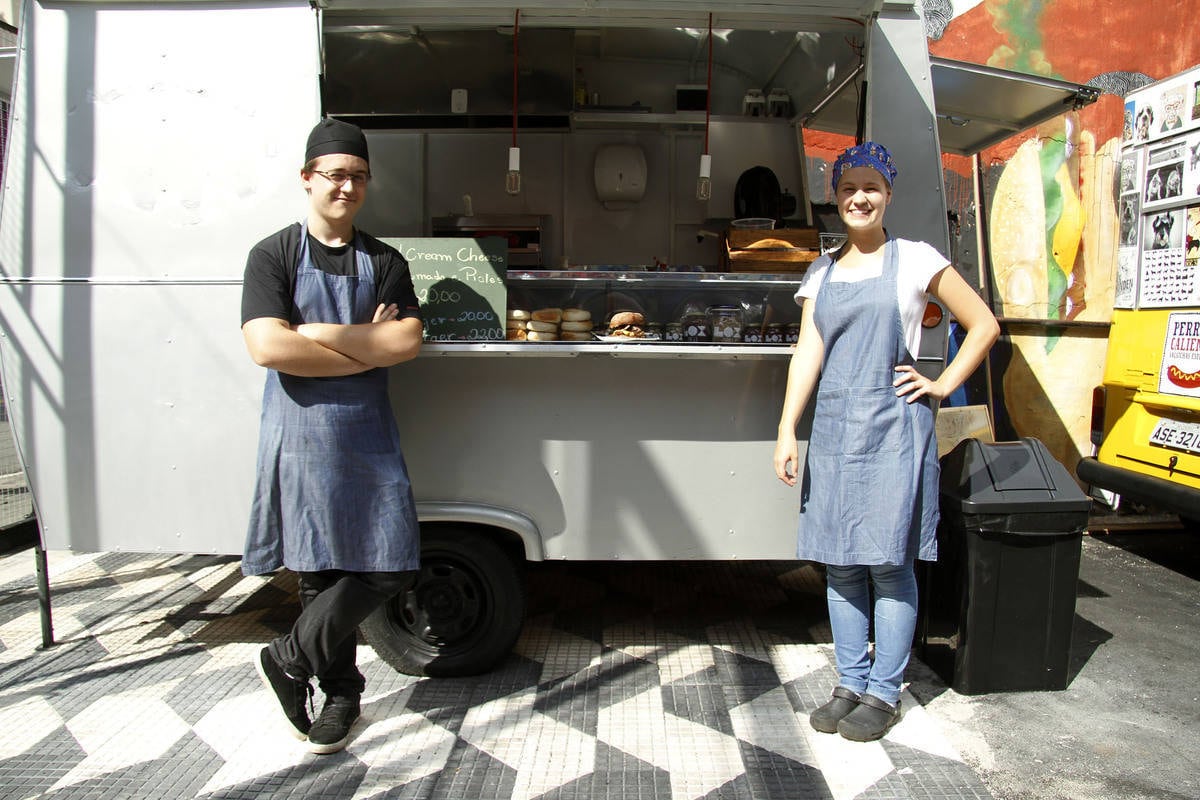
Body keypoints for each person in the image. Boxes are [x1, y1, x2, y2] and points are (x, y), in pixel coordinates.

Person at [773, 141, 998, 742]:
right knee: (841, 567)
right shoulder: (820, 271)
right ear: (836, 196)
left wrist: (942, 383)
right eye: (849, 188)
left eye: (871, 187)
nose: (859, 198)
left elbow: (983, 325)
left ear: (888, 194)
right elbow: (807, 355)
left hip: (896, 431)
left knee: (889, 565)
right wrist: (787, 428)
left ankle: (883, 691)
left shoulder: (917, 259)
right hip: (835, 431)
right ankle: (850, 681)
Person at [240, 117, 424, 754]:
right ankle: (341, 694)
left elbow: (405, 340)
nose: (347, 186)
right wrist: (363, 350)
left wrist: (311, 334)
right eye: (336, 175)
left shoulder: (385, 260)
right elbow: (266, 345)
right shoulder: (273, 255)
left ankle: (288, 657)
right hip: (301, 434)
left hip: (366, 432)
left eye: (359, 176)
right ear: (308, 179)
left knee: (390, 561)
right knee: (320, 570)